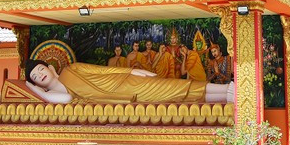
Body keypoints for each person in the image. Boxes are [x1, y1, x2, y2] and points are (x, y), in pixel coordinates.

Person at [24, 59, 234, 104]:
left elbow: (105, 71)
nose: (39, 75)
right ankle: (226, 97)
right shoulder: (54, 95)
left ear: (51, 67)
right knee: (176, 97)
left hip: (126, 83)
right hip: (123, 99)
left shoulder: (72, 68)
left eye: (40, 70)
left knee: (174, 86)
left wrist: (134, 72)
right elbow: (68, 98)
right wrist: (37, 92)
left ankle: (226, 89)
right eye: (35, 77)